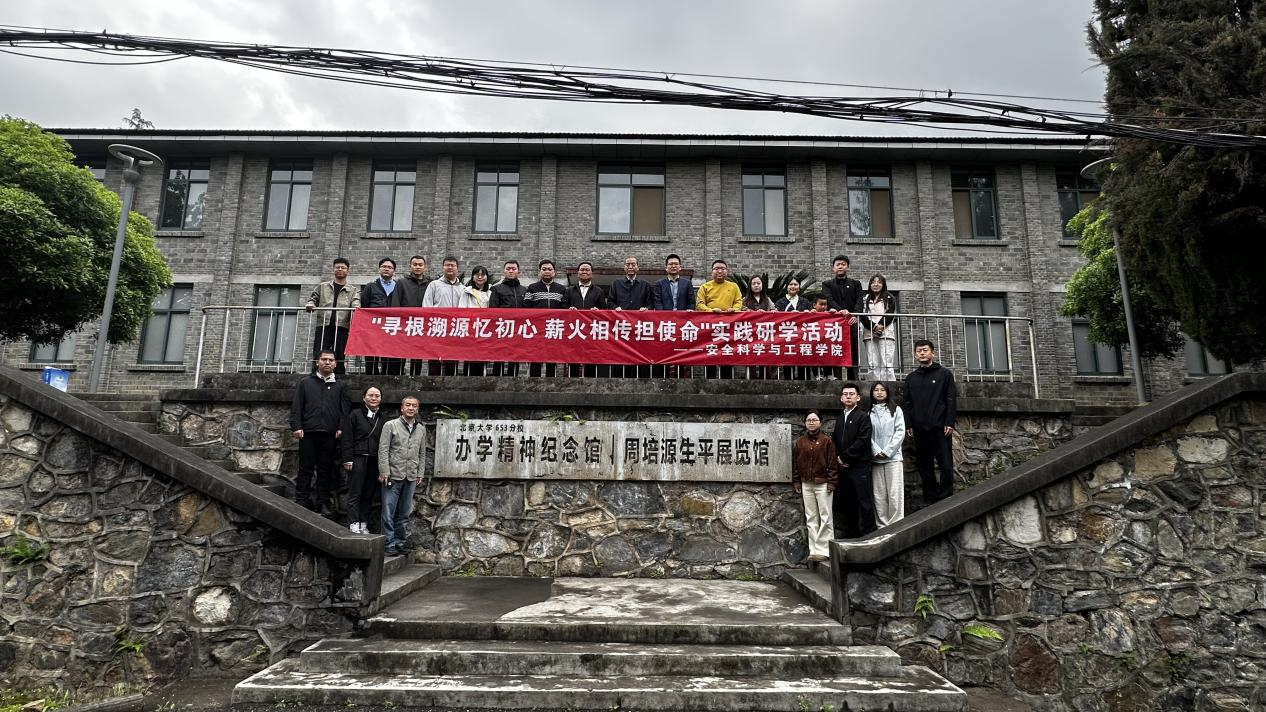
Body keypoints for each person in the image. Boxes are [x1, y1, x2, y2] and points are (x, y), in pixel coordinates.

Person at [288, 350, 348, 514]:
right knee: (305, 468)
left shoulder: (341, 386)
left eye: (331, 360)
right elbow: (297, 406)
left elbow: (344, 410)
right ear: (317, 362)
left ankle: (323, 502)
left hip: (330, 433)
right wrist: (296, 426)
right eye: (324, 359)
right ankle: (301, 500)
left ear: (335, 364)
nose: (327, 362)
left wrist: (341, 428)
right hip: (308, 432)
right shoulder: (305, 383)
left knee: (325, 470)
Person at [904, 340, 958, 505]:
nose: (922, 353)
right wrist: (909, 424)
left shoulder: (945, 374)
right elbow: (907, 403)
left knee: (946, 464)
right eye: (918, 351)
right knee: (924, 465)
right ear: (915, 355)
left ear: (932, 353)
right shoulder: (911, 378)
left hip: (941, 427)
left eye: (925, 350)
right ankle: (930, 498)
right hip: (919, 428)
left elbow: (951, 400)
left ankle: (946, 496)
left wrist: (949, 422)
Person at [378, 394, 427, 557]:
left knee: (404, 513)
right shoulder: (390, 425)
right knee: (388, 511)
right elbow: (383, 450)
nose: (411, 408)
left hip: (411, 476)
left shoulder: (421, 429)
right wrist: (384, 471)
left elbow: (422, 453)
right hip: (393, 474)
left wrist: (420, 472)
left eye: (414, 405)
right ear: (402, 408)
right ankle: (389, 543)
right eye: (408, 405)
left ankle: (400, 542)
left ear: (417, 409)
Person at [340, 386, 386, 534]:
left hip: (374, 459)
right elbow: (347, 438)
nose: (374, 398)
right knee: (355, 492)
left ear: (381, 399)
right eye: (371, 395)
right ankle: (353, 522)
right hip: (358, 458)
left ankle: (363, 523)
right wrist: (347, 459)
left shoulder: (383, 418)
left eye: (377, 396)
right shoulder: (355, 415)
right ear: (364, 398)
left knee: (368, 493)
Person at [793, 410, 837, 563]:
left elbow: (832, 463)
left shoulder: (827, 441)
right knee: (811, 517)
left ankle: (824, 550)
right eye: (809, 420)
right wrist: (797, 481)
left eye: (814, 420)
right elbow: (796, 464)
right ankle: (814, 550)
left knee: (826, 516)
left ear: (820, 422)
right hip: (806, 483)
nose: (811, 422)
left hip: (823, 483)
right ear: (805, 423)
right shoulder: (800, 442)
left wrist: (831, 482)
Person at [832, 382, 875, 538]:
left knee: (864, 500)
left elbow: (863, 440)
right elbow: (835, 441)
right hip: (843, 467)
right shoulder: (840, 419)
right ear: (841, 398)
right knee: (847, 502)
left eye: (851, 394)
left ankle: (869, 533)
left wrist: (845, 457)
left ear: (858, 397)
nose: (848, 396)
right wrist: (838, 458)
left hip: (859, 465)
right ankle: (852, 534)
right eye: (845, 394)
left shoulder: (863, 417)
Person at [305, 257, 360, 375]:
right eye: (337, 267)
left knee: (340, 354)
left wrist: (356, 308)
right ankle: (315, 376)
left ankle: (339, 377)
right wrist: (311, 304)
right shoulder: (323, 286)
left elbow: (356, 302)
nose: (340, 269)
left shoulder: (353, 290)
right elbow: (313, 298)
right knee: (319, 352)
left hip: (342, 326)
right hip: (324, 325)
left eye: (343, 267)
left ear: (348, 271)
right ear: (333, 269)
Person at [422, 256, 472, 376]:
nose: (450, 267)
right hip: (437, 328)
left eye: (452, 265)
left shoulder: (463, 289)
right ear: (442, 267)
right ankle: (433, 382)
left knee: (452, 360)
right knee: (434, 359)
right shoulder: (434, 285)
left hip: (455, 330)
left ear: (457, 268)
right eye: (447, 265)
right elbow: (426, 306)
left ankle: (451, 381)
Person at [651, 254, 695, 378]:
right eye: (670, 264)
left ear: (680, 267)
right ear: (666, 267)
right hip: (665, 325)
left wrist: (688, 313)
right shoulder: (659, 284)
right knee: (664, 353)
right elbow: (657, 303)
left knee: (680, 353)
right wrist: (665, 317)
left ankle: (680, 380)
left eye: (676, 264)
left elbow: (691, 302)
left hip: (682, 325)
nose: (673, 266)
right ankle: (662, 380)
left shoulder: (687, 283)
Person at [869, 381, 906, 527]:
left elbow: (900, 432)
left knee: (894, 493)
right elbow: (867, 434)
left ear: (887, 392)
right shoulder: (868, 412)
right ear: (872, 393)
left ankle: (896, 525)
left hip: (893, 458)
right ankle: (882, 526)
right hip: (876, 459)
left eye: (882, 390)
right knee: (879, 495)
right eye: (876, 390)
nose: (879, 392)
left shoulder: (896, 410)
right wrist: (876, 451)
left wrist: (887, 451)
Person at [609, 256, 652, 377]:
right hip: (621, 327)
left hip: (639, 328)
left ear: (638, 267)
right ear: (624, 267)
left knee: (639, 356)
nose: (630, 267)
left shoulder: (645, 285)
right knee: (620, 355)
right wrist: (615, 308)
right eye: (628, 264)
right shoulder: (616, 283)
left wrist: (646, 309)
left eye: (633, 264)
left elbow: (650, 303)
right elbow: (610, 302)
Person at [822, 255, 863, 379]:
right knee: (835, 348)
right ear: (833, 268)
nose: (840, 266)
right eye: (838, 264)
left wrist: (854, 314)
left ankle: (853, 378)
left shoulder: (856, 284)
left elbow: (859, 301)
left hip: (851, 321)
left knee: (853, 350)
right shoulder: (827, 284)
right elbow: (829, 300)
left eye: (843, 264)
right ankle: (836, 378)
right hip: (835, 322)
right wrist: (841, 311)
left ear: (848, 267)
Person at [360, 257, 403, 375]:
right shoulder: (370, 286)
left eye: (389, 267)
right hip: (374, 326)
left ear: (394, 271)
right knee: (372, 355)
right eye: (384, 267)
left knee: (390, 355)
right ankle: (371, 377)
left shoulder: (399, 287)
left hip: (392, 327)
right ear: (379, 269)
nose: (386, 269)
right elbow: (364, 305)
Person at [565, 261, 608, 378]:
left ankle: (590, 383)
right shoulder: (569, 290)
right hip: (574, 331)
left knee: (591, 359)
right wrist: (569, 310)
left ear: (592, 273)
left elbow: (605, 310)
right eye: (582, 270)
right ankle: (572, 382)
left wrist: (597, 311)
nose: (584, 272)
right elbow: (563, 308)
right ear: (577, 273)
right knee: (573, 359)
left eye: (587, 270)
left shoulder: (599, 291)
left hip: (591, 331)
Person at [525, 259, 567, 376]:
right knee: (535, 359)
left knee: (551, 359)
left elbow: (565, 308)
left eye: (549, 269)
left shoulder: (561, 289)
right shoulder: (532, 288)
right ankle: (534, 382)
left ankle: (551, 383)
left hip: (553, 329)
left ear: (554, 272)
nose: (547, 271)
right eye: (544, 269)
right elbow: (526, 307)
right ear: (539, 272)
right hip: (536, 330)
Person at [488, 260, 526, 376]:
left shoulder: (524, 290)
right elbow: (493, 310)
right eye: (508, 269)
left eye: (513, 269)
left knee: (515, 357)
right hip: (502, 329)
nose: (511, 271)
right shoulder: (496, 289)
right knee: (499, 357)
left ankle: (513, 379)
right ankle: (496, 379)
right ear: (504, 271)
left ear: (519, 272)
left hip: (518, 330)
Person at [398, 255, 432, 376]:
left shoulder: (430, 284)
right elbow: (396, 303)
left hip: (422, 324)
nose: (417, 267)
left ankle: (416, 377)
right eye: (415, 264)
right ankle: (399, 375)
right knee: (401, 352)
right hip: (405, 323)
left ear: (425, 267)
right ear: (410, 266)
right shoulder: (402, 283)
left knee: (418, 353)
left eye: (420, 265)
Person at [862, 274, 899, 381]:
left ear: (883, 285)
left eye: (879, 282)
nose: (876, 284)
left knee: (886, 361)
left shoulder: (889, 298)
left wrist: (881, 325)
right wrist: (874, 326)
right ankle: (874, 386)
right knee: (872, 362)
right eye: (873, 282)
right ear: (870, 285)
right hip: (869, 333)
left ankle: (889, 385)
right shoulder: (865, 299)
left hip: (886, 333)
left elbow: (890, 314)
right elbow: (863, 316)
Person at [463, 266, 491, 376]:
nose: (480, 277)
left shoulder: (491, 291)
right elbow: (461, 310)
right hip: (471, 329)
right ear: (473, 277)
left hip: (485, 330)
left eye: (483, 275)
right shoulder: (466, 291)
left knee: (483, 356)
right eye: (477, 275)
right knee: (470, 356)